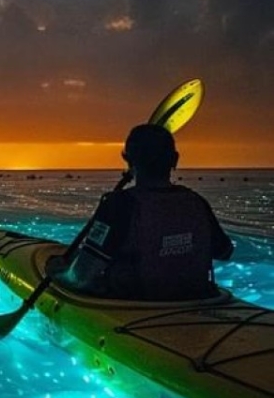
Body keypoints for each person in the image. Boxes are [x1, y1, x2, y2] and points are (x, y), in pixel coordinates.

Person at [47, 124, 234, 301]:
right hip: (196, 297)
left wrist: (57, 272)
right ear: (174, 159)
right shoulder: (196, 202)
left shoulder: (119, 204)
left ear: (128, 161)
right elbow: (224, 251)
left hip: (136, 299)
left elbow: (81, 278)